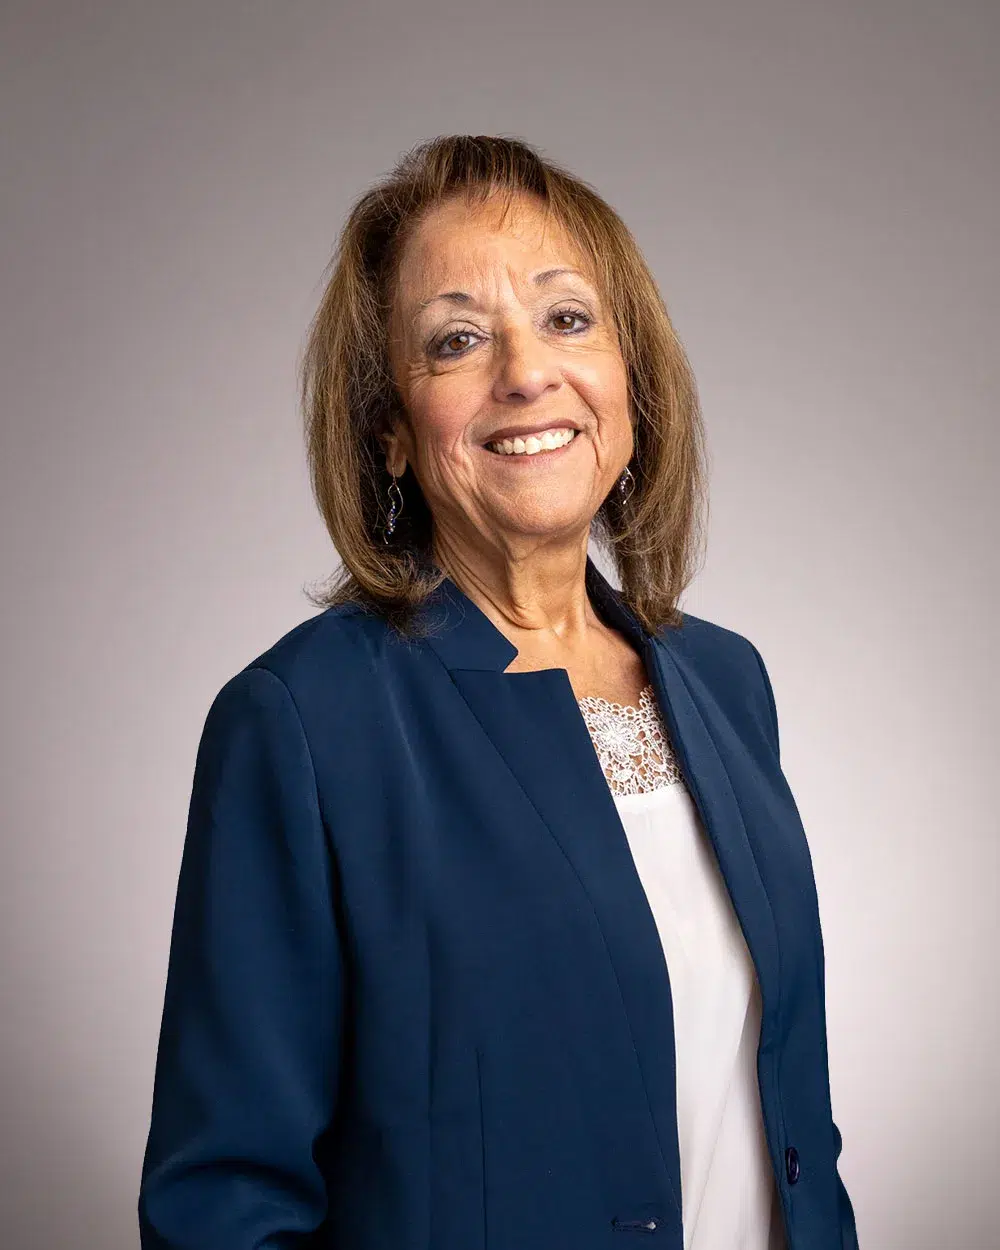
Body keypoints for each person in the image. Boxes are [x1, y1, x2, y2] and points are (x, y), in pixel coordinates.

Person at [138, 134, 859, 1250]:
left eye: (568, 319)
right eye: (457, 340)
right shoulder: (301, 722)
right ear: (387, 429)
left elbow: (785, 1120)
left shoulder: (728, 681)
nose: (526, 372)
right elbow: (223, 1205)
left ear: (631, 379)